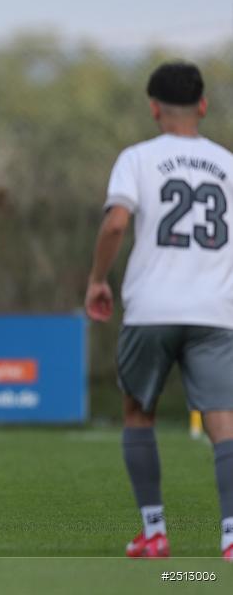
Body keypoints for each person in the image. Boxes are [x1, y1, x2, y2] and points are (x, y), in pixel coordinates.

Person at [85, 61, 233, 560]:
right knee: (224, 422)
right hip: (216, 311)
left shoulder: (138, 158)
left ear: (154, 108)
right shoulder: (228, 163)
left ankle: (155, 533)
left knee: (138, 412)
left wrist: (98, 280)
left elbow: (115, 225)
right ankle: (232, 540)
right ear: (203, 106)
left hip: (151, 309)